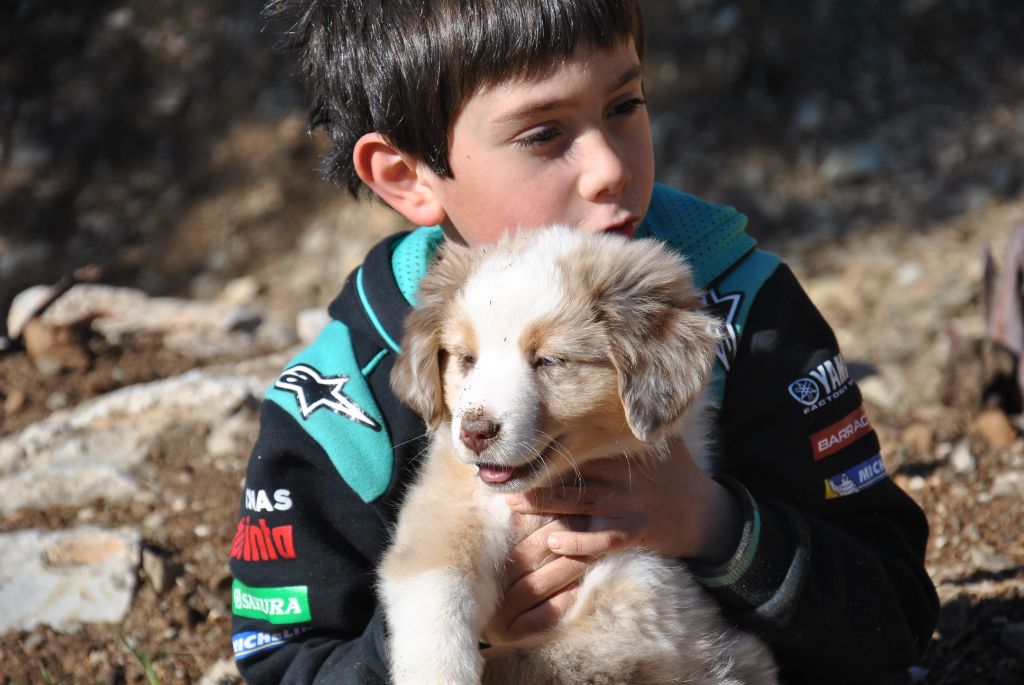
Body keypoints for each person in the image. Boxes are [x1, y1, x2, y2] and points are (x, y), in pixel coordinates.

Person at [228, 1, 939, 682]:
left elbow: (897, 611)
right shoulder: (344, 397)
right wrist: (460, 625)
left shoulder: (748, 313)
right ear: (407, 175)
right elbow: (286, 658)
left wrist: (714, 524)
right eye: (543, 134)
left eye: (624, 106)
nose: (609, 168)